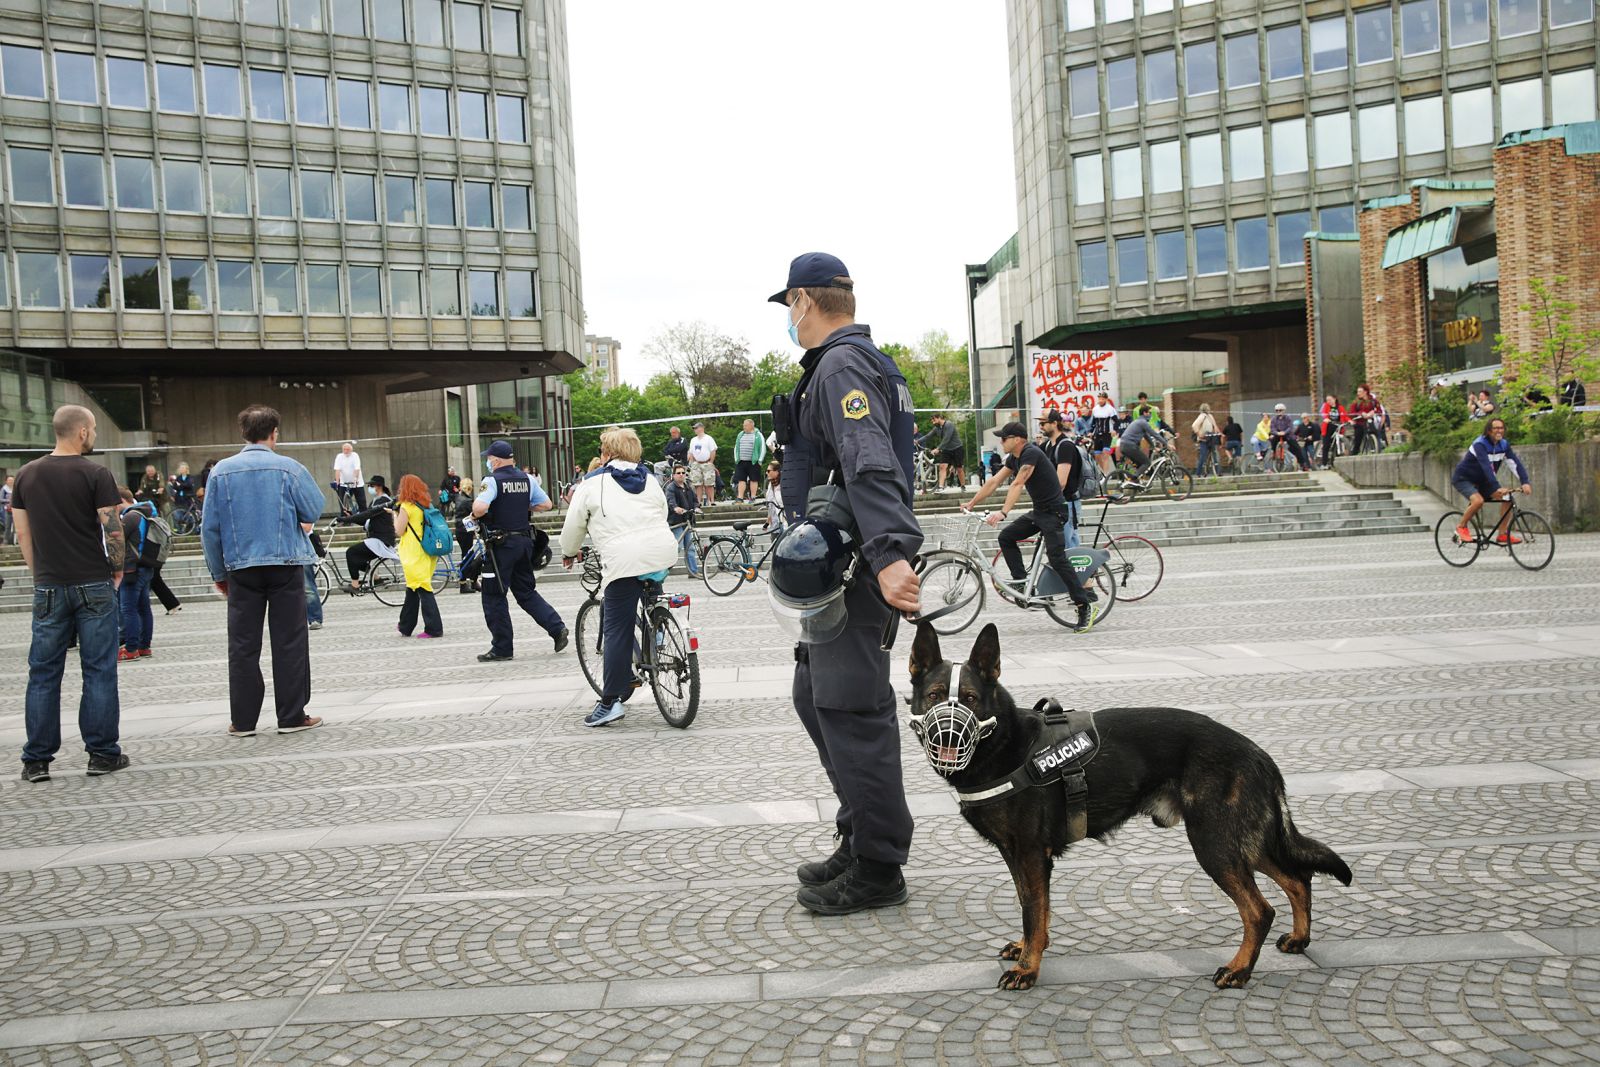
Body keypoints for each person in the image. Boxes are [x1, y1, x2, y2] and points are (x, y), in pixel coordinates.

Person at [767, 252, 922, 916]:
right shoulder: (849, 365)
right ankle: (860, 830)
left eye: (788, 306)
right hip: (841, 563)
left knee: (852, 710)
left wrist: (889, 552)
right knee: (815, 693)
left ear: (805, 299)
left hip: (856, 563)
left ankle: (880, 864)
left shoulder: (843, 365)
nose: (789, 318)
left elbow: (867, 458)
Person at [13, 405, 129, 782]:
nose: (93, 435)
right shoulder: (95, 473)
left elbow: (24, 535)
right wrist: (117, 571)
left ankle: (36, 760)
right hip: (93, 582)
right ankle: (101, 754)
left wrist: (39, 574)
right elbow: (113, 529)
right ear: (81, 432)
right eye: (93, 429)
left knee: (43, 673)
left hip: (48, 583)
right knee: (98, 669)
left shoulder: (26, 475)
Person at [201, 405, 325, 737]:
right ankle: (291, 715)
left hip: (241, 568)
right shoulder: (289, 468)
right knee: (289, 641)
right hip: (285, 564)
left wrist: (218, 572)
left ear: (244, 433)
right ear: (274, 433)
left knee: (242, 644)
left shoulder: (221, 472)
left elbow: (209, 529)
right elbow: (315, 507)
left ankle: (243, 721)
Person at [559, 427, 680, 726]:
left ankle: (611, 700)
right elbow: (661, 512)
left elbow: (574, 524)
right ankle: (659, 635)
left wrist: (569, 551)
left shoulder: (592, 483)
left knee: (616, 629)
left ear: (608, 453)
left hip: (624, 560)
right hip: (661, 552)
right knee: (652, 594)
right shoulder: (651, 479)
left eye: (602, 449)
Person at [965, 421, 1096, 631]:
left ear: (1017, 439)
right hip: (1039, 512)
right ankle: (1021, 584)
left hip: (1054, 513)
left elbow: (1017, 483)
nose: (1001, 442)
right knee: (1006, 537)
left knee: (1057, 559)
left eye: (1004, 438)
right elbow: (994, 482)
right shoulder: (1014, 458)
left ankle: (1083, 604)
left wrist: (1003, 512)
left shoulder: (1030, 453)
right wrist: (972, 503)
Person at [473, 439, 567, 661]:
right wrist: (521, 505)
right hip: (524, 542)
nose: (488, 461)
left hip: (501, 545)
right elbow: (547, 505)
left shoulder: (492, 480)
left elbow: (479, 508)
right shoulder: (526, 479)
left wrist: (484, 512)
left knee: (494, 595)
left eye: (488, 458)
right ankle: (557, 628)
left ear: (495, 460)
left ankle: (502, 648)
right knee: (526, 592)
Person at [1451, 417, 1531, 544]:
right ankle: (1461, 527)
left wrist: (1525, 482)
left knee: (1508, 498)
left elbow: (1515, 463)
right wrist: (1497, 486)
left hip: (1483, 481)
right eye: (1496, 428)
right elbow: (1486, 466)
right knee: (1478, 501)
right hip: (1464, 478)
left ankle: (1502, 534)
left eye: (1501, 428)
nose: (1499, 431)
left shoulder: (1504, 445)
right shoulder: (1480, 444)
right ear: (1489, 431)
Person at [393, 474, 444, 639]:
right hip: (427, 551)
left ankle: (434, 628)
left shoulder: (406, 506)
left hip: (413, 553)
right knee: (413, 588)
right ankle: (405, 626)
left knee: (422, 588)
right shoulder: (425, 505)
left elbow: (399, 531)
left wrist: (393, 515)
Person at [117, 487, 159, 662]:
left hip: (132, 569)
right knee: (143, 608)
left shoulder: (130, 516)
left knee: (129, 609)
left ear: (120, 500)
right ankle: (144, 646)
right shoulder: (147, 513)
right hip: (147, 566)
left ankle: (131, 648)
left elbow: (117, 539)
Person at [1036, 408, 1086, 548]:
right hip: (1057, 503)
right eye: (1039, 423)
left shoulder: (1065, 446)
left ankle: (1077, 569)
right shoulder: (1047, 445)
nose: (1040, 427)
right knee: (1067, 545)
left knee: (1066, 546)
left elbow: (1061, 482)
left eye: (1043, 423)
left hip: (1067, 503)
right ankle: (1077, 569)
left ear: (1054, 423)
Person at [340, 476, 396, 594]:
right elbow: (365, 519)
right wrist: (350, 516)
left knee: (351, 552)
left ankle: (355, 585)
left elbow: (366, 514)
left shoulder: (383, 501)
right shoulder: (376, 500)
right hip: (376, 538)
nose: (369, 488)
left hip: (382, 539)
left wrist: (346, 519)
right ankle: (376, 578)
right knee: (356, 557)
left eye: (371, 486)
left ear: (379, 487)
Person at [665, 464, 700, 576]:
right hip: (676, 520)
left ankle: (693, 572)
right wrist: (675, 508)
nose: (681, 475)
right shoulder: (671, 487)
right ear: (674, 475)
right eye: (678, 473)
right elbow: (670, 501)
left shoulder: (689, 486)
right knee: (677, 547)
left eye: (683, 473)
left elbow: (695, 500)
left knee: (690, 548)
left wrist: (696, 507)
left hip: (687, 520)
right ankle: (664, 570)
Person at [1118, 404, 1166, 481]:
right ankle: (1133, 479)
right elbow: (1154, 434)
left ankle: (1136, 483)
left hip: (1123, 445)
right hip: (1130, 446)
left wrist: (1153, 447)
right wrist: (1167, 444)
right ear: (1145, 413)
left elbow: (1146, 436)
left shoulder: (1138, 422)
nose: (1150, 415)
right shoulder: (1143, 422)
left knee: (1140, 464)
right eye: (1149, 413)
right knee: (1147, 463)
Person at [732, 419, 768, 501]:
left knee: (753, 479)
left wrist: (760, 460)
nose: (744, 427)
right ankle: (740, 497)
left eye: (746, 425)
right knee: (741, 479)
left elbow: (763, 448)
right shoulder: (740, 434)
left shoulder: (758, 435)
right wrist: (736, 458)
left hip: (753, 462)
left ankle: (753, 497)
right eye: (743, 425)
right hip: (741, 461)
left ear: (752, 425)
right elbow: (736, 447)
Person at [1268, 404, 1309, 471]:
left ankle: (1302, 464)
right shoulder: (1273, 419)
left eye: (1280, 410)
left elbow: (1290, 427)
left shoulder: (1288, 418)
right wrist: (1277, 433)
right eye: (1277, 410)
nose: (1278, 412)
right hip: (1278, 434)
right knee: (1273, 439)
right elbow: (1272, 428)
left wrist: (1284, 432)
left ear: (1284, 410)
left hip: (1287, 435)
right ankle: (1274, 453)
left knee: (1296, 447)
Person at [687, 421, 718, 506]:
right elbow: (691, 451)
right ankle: (698, 501)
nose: (695, 430)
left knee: (709, 483)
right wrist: (692, 461)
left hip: (706, 462)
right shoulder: (693, 440)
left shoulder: (708, 438)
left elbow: (713, 450)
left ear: (701, 428)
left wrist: (711, 462)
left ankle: (711, 501)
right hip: (696, 463)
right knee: (697, 484)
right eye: (694, 429)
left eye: (696, 428)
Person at [1090, 390, 1119, 477]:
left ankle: (1106, 475)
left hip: (1107, 434)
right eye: (1099, 399)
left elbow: (1117, 422)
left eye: (1102, 399)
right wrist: (1091, 432)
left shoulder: (1110, 409)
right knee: (1097, 456)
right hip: (1097, 435)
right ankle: (1103, 474)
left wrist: (1114, 430)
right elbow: (1093, 423)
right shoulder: (1095, 409)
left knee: (1105, 455)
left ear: (1106, 399)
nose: (1100, 400)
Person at [1191, 403, 1221, 477]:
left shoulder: (1209, 416)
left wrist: (1217, 432)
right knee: (1209, 455)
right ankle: (1200, 473)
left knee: (1209, 455)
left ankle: (1215, 471)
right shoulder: (1203, 416)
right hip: (1206, 438)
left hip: (1208, 437)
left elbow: (1215, 426)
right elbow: (1194, 425)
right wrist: (1199, 434)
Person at [333, 441, 366, 511]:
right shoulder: (339, 456)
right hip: (344, 483)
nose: (346, 451)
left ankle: (363, 519)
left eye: (347, 449)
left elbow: (356, 469)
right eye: (344, 449)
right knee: (342, 503)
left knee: (362, 503)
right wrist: (337, 482)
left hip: (356, 483)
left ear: (351, 450)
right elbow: (337, 470)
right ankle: (344, 518)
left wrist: (355, 479)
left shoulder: (355, 455)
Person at [1349, 383, 1379, 454]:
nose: (1358, 393)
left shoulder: (1373, 400)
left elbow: (1378, 409)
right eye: (1357, 392)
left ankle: (1376, 448)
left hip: (1370, 421)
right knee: (1357, 441)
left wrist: (1373, 411)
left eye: (1360, 392)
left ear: (1365, 392)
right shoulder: (1356, 402)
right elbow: (1352, 412)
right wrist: (1361, 413)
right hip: (1360, 423)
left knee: (1376, 435)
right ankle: (1354, 453)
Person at [1319, 394, 1347, 467]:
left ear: (1334, 399)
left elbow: (1345, 416)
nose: (1328, 401)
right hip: (1328, 427)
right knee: (1326, 445)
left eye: (1330, 400)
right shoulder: (1325, 405)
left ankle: (1334, 462)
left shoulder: (1340, 407)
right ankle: (1324, 463)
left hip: (1337, 426)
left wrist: (1350, 421)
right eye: (1327, 400)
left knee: (1336, 443)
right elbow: (1323, 413)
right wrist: (1325, 418)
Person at [762, 460, 784, 531]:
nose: (766, 473)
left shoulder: (784, 484)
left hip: (784, 522)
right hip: (775, 524)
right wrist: (767, 523)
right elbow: (771, 506)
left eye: (769, 471)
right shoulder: (771, 485)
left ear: (777, 471)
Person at [1, 473, 13, 545]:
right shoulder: (4, 489)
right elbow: (1, 499)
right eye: (9, 480)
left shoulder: (16, 488)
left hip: (16, 510)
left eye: (12, 480)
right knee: (7, 526)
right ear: (6, 481)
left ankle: (14, 541)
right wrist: (9, 501)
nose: (11, 482)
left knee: (16, 527)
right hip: (7, 510)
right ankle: (6, 541)